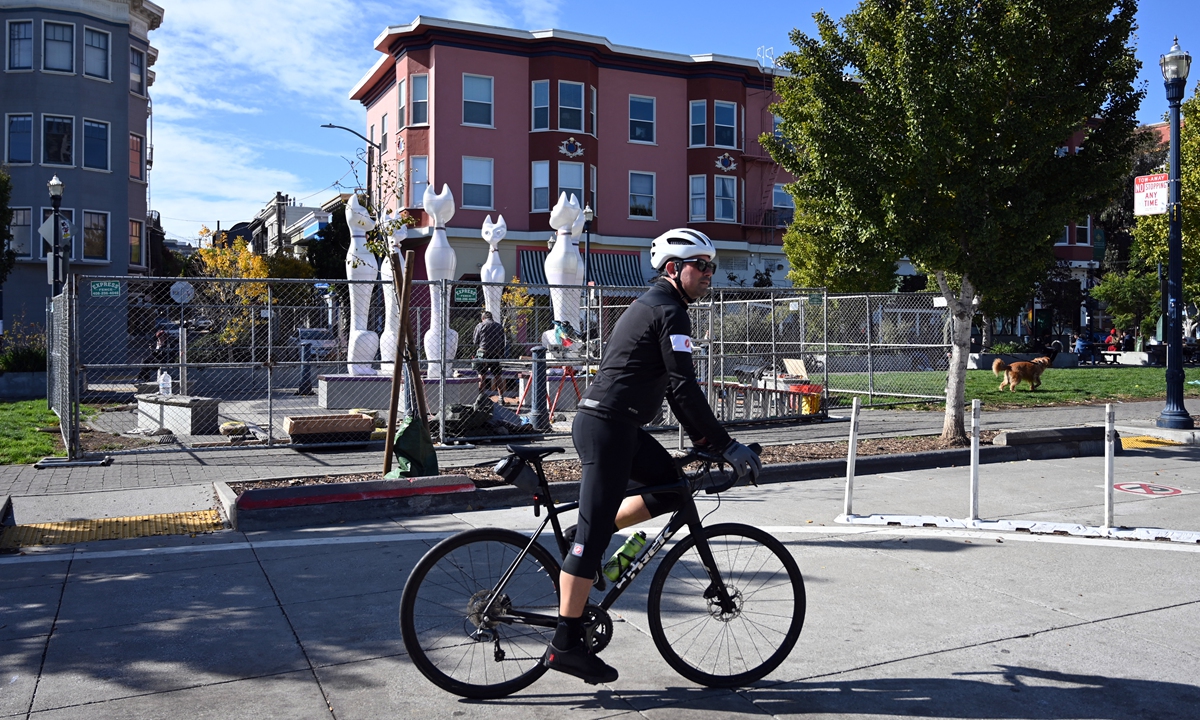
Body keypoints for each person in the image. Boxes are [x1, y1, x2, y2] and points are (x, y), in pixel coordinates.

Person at [542, 228, 762, 685]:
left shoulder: (662, 307)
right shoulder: (668, 311)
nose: (708, 274)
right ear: (672, 270)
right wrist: (725, 445)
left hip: (619, 425)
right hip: (607, 427)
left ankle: (585, 542)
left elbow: (678, 392)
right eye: (699, 266)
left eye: (711, 267)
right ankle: (565, 645)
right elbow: (684, 387)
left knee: (672, 491)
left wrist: (707, 442)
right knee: (592, 536)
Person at [471, 311, 506, 395]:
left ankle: (480, 397)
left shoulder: (480, 326)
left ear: (483, 318)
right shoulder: (499, 326)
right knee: (497, 376)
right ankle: (501, 397)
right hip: (495, 353)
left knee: (482, 376)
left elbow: (475, 341)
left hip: (483, 352)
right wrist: (501, 353)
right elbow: (502, 342)